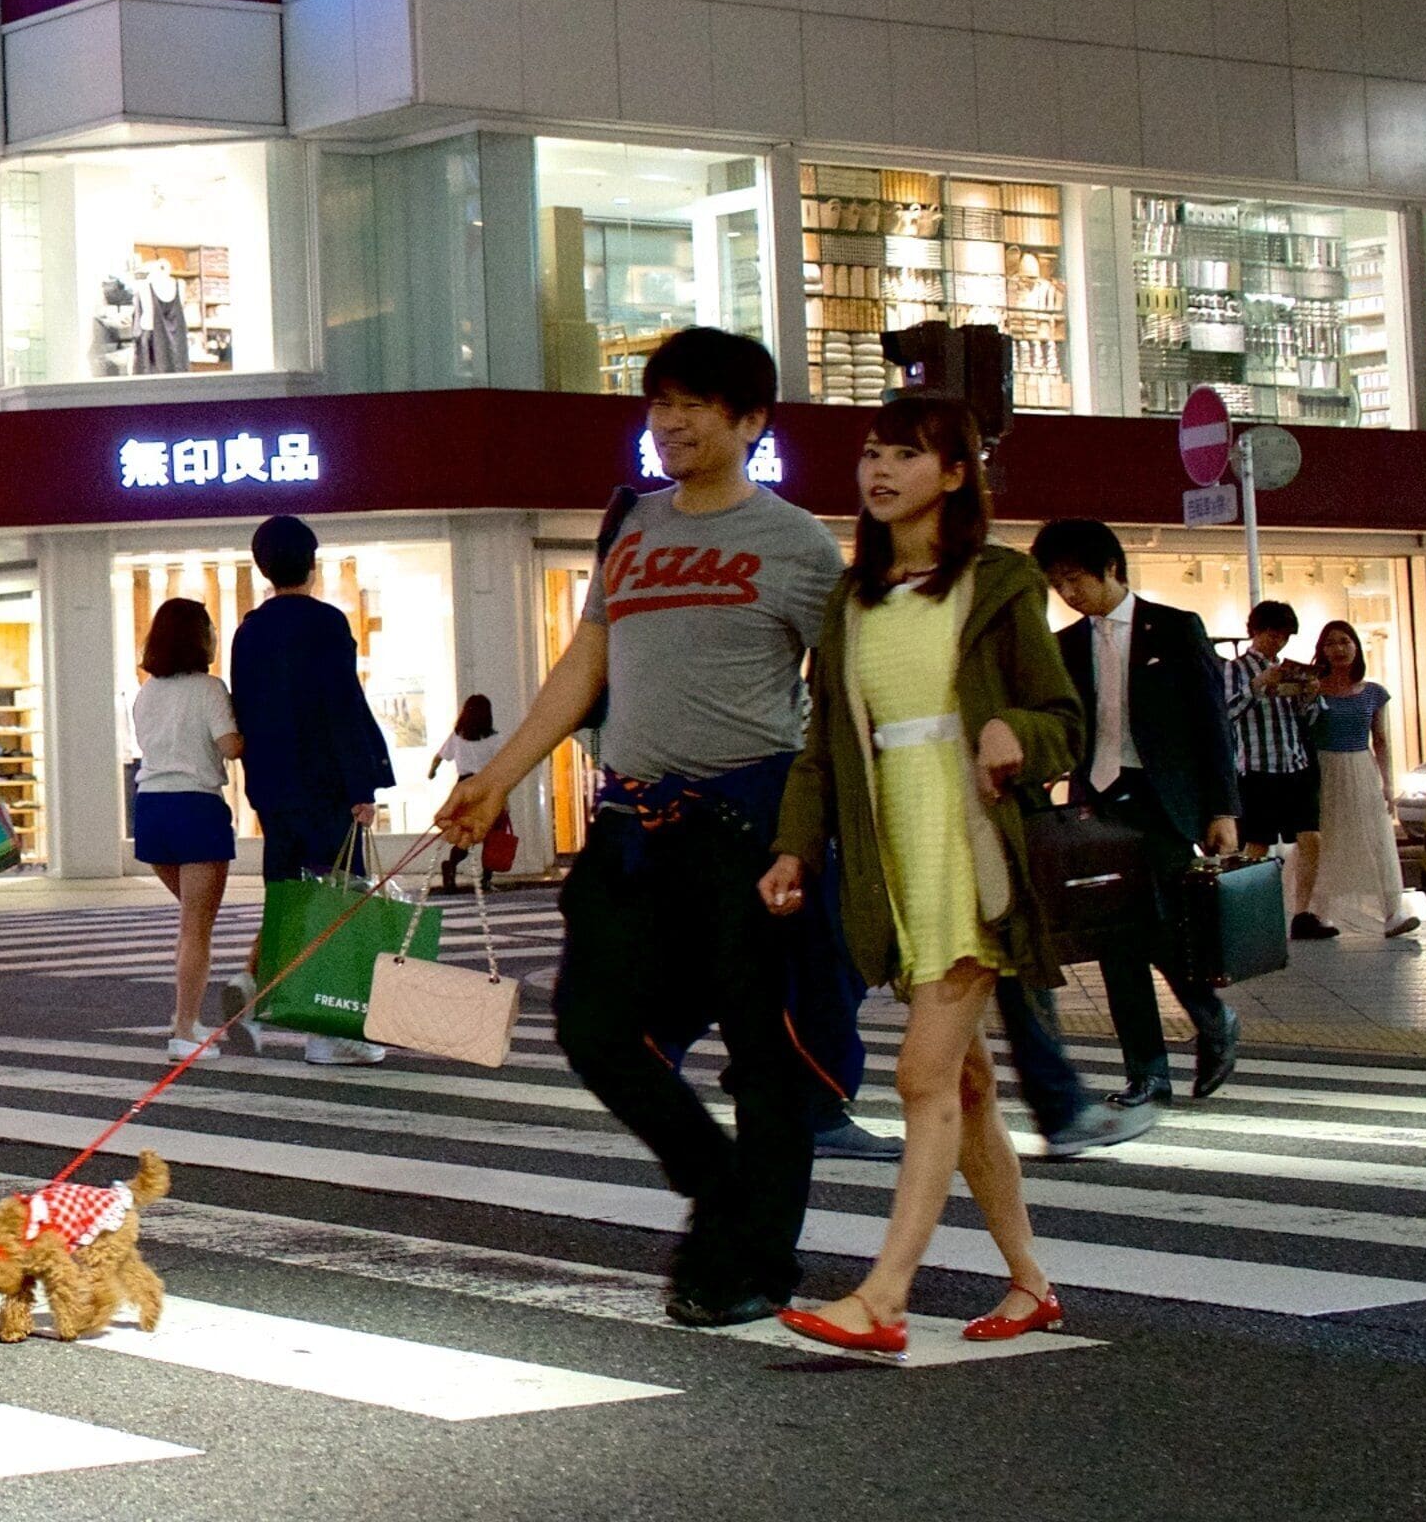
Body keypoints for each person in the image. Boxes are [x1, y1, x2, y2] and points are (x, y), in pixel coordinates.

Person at [442, 327, 852, 1328]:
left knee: (767, 1059)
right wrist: (497, 779)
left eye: (693, 405)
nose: (668, 423)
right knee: (593, 1027)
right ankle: (723, 1191)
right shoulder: (634, 529)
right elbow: (585, 667)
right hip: (632, 825)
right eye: (657, 403)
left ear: (751, 422)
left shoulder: (795, 543)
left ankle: (747, 1263)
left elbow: (843, 700)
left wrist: (812, 835)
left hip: (745, 829)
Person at [761, 395, 1083, 1352]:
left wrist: (1011, 736)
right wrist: (792, 846)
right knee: (970, 1085)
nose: (880, 470)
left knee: (921, 1075)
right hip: (889, 856)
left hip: (972, 851)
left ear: (955, 475)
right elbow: (822, 750)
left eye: (907, 454)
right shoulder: (850, 601)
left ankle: (885, 1295)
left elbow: (1063, 722)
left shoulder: (999, 585)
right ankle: (1030, 1285)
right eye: (871, 452)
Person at [1030, 518, 1243, 1106]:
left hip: (1161, 798)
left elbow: (1211, 724)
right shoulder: (1066, 644)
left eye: (1074, 579)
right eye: (1057, 584)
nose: (1068, 593)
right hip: (1095, 800)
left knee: (1169, 925)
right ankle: (1147, 1073)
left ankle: (1211, 1015)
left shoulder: (1174, 629)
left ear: (1111, 568)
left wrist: (1223, 808)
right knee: (1115, 936)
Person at [227, 513, 396, 1065]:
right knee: (342, 904)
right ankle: (331, 1032)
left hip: (274, 791)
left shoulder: (248, 631)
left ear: (263, 569)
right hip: (327, 787)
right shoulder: (327, 624)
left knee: (290, 897)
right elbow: (341, 706)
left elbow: (247, 710)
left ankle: (256, 981)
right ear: (313, 564)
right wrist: (362, 782)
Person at [129, 597, 243, 1053]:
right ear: (201, 637)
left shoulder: (146, 692)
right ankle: (184, 1031)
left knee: (191, 922)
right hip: (196, 808)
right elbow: (231, 747)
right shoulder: (209, 688)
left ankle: (184, 1017)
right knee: (197, 927)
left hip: (152, 810)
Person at [1295, 622, 1417, 940]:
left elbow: (1381, 740)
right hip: (1322, 768)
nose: (1338, 649)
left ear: (1356, 647)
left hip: (1361, 767)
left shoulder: (1374, 693)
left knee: (1377, 838)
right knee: (1324, 839)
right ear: (1321, 650)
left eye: (1345, 642)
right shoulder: (1311, 689)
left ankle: (1393, 912)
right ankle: (1316, 912)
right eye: (1331, 643)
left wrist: (1387, 783)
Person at [1224, 600, 1317, 870]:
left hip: (1294, 763)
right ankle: (1252, 904)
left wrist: (1309, 695)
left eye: (1285, 636)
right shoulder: (1236, 668)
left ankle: (1303, 909)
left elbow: (1307, 719)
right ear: (1256, 631)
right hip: (1257, 767)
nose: (1279, 642)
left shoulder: (1288, 668)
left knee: (1311, 837)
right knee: (1257, 843)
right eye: (1274, 634)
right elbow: (1228, 712)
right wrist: (1259, 684)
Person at [429, 695, 501, 894]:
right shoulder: (494, 738)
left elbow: (440, 756)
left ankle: (450, 866)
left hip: (464, 787)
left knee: (466, 833)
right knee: (492, 834)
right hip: (486, 787)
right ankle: (486, 878)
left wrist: (431, 772)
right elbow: (500, 767)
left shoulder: (458, 736)